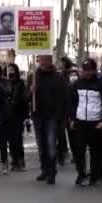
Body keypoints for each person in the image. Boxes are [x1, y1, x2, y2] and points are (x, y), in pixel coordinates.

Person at [29, 55, 69, 185]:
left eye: (46, 60)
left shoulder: (58, 78)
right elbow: (25, 98)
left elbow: (64, 98)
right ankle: (44, 169)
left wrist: (62, 117)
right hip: (38, 115)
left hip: (52, 116)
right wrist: (30, 91)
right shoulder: (34, 77)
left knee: (51, 144)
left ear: (50, 61)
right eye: (41, 60)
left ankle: (52, 171)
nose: (43, 62)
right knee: (41, 145)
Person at [69, 59, 102, 187]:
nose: (87, 73)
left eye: (89, 70)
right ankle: (81, 174)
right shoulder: (76, 84)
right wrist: (73, 119)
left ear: (94, 70)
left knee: (95, 150)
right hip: (80, 121)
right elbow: (73, 103)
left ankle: (95, 175)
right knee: (79, 150)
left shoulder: (101, 84)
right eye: (84, 70)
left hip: (95, 121)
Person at [5, 63, 28, 172]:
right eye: (8, 69)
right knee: (10, 139)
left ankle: (20, 160)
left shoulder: (20, 83)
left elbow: (24, 99)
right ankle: (14, 159)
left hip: (17, 114)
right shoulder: (5, 82)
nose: (10, 71)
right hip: (7, 114)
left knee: (18, 138)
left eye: (12, 69)